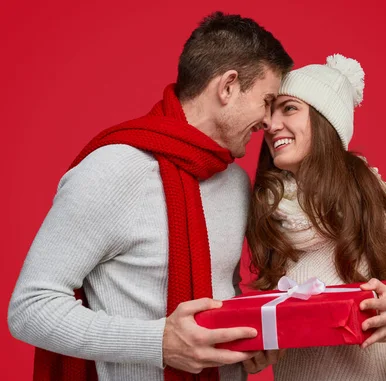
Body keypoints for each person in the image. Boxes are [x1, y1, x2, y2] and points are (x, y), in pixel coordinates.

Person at [8, 11, 293, 381]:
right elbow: (30, 307)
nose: (269, 122)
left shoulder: (236, 183)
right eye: (266, 100)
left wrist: (245, 343)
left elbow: (218, 291)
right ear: (228, 87)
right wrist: (157, 342)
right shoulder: (113, 170)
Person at [245, 54, 386, 380]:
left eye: (289, 108)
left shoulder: (384, 219)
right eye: (269, 112)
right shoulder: (271, 220)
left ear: (326, 122)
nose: (270, 124)